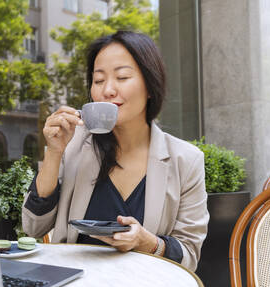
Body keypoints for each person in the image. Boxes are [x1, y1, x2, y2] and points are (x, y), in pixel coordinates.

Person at [21, 31, 209, 271]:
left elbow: (189, 256)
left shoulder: (186, 160)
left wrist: (146, 242)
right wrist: (54, 152)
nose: (107, 90)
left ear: (150, 86)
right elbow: (33, 227)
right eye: (98, 81)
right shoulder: (73, 144)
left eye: (122, 77)